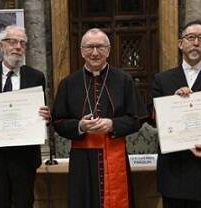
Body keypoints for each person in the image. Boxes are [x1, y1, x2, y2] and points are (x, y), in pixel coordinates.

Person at [52, 28, 146, 208]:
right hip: (82, 159)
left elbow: (137, 118)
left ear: (108, 50)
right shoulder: (68, 83)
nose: (95, 52)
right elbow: (57, 122)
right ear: (81, 51)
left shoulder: (124, 80)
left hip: (114, 152)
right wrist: (80, 126)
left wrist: (113, 124)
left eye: (100, 47)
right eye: (89, 47)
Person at [149, 20, 201, 208]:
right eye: (191, 37)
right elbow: (152, 119)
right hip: (173, 172)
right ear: (180, 43)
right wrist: (173, 102)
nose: (196, 43)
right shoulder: (162, 80)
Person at [0, 25, 50, 208]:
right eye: (12, 42)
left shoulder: (36, 77)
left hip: (25, 158)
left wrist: (46, 116)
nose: (18, 47)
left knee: (24, 204)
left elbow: (42, 112)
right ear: (1, 45)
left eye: (22, 43)